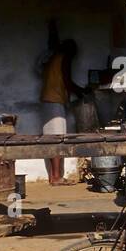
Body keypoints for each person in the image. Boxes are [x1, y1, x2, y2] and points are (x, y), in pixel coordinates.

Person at [39, 39, 87, 185]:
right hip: (55, 101)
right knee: (58, 139)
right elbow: (67, 82)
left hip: (48, 100)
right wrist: (82, 92)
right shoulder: (64, 58)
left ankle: (54, 176)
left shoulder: (53, 58)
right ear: (70, 52)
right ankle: (56, 177)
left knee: (52, 139)